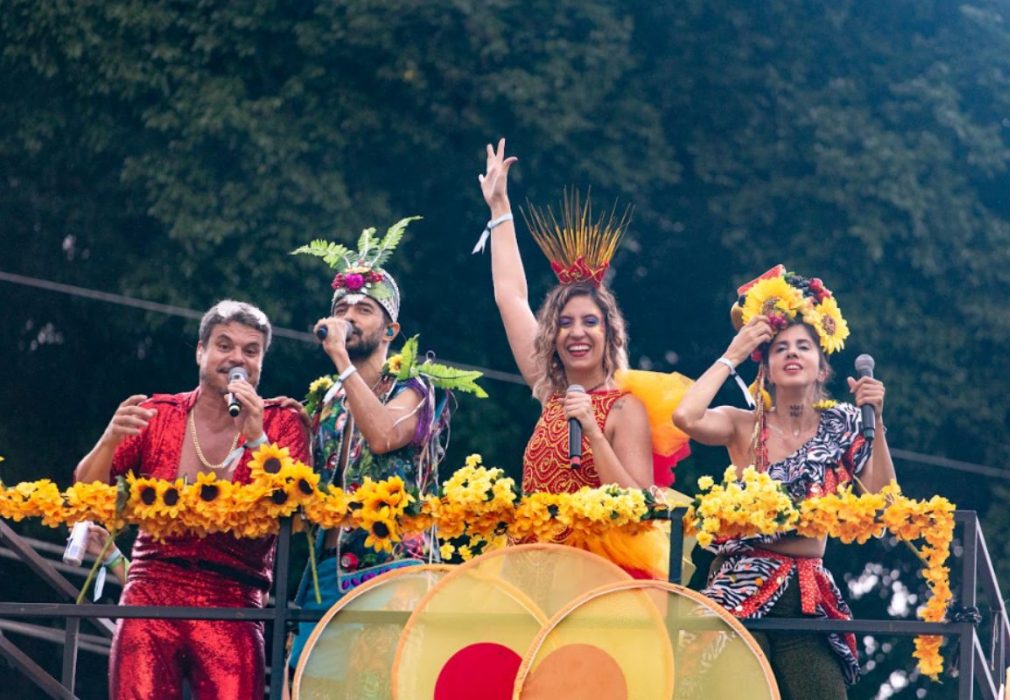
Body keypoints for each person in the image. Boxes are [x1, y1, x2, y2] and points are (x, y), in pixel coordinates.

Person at [671, 265, 896, 697]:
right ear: (767, 368)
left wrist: (878, 424)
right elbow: (686, 417)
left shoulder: (847, 424)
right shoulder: (742, 424)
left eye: (804, 346)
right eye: (780, 348)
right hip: (738, 589)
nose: (792, 354)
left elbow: (885, 505)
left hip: (806, 597)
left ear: (820, 365)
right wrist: (733, 353)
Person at [73, 299, 310, 700]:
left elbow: (293, 510)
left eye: (251, 351)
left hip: (234, 599)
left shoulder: (282, 422)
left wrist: (257, 437)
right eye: (224, 345)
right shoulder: (157, 413)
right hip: (151, 588)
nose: (237, 358)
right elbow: (87, 496)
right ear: (201, 351)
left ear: (261, 363)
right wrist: (110, 439)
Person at [478, 138, 666, 578]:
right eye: (564, 323)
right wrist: (500, 209)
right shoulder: (550, 394)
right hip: (530, 567)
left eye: (589, 322)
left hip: (594, 578)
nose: (576, 333)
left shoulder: (625, 407)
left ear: (609, 332)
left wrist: (593, 433)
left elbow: (638, 508)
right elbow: (510, 296)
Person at [286, 219, 459, 674]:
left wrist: (341, 359)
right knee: (305, 680)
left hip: (391, 568)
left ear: (389, 330)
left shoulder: (414, 386)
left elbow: (383, 436)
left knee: (378, 685)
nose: (348, 316)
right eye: (341, 307)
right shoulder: (327, 399)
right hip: (324, 572)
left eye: (363, 309)